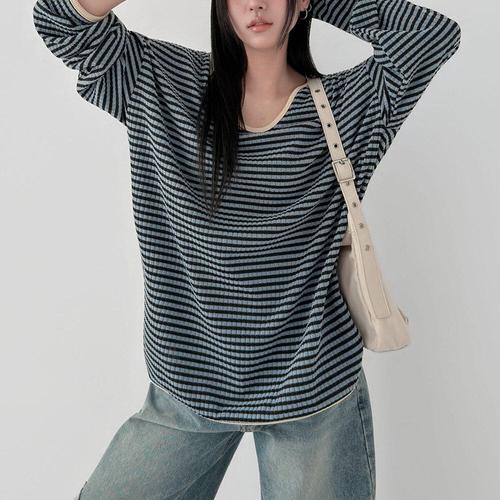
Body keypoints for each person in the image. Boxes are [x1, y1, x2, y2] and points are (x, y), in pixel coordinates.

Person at [32, 0, 461, 498]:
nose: (256, 4)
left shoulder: (346, 109)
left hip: (312, 389)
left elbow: (430, 37)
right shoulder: (161, 83)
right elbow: (60, 22)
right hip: (188, 384)